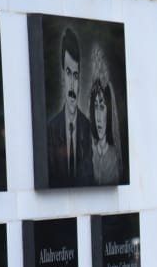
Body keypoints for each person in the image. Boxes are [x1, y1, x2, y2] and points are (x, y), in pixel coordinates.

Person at [46, 27, 93, 188]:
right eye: (68, 73)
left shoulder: (88, 129)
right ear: (62, 77)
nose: (72, 84)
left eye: (75, 75)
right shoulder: (51, 129)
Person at [88, 47, 123, 185]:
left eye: (102, 107)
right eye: (95, 107)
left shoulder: (114, 158)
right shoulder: (89, 155)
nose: (98, 116)